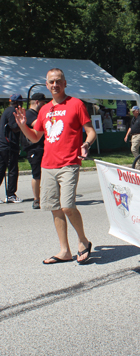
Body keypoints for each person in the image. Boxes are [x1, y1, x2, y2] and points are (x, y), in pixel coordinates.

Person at [14, 68, 96, 264]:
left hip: (69, 163)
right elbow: (35, 137)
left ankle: (83, 241)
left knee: (67, 206)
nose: (55, 85)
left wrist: (86, 143)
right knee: (54, 208)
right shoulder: (44, 109)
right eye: (51, 82)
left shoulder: (76, 104)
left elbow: (90, 131)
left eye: (58, 81)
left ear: (65, 83)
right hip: (48, 165)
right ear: (47, 84)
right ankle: (64, 251)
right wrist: (23, 125)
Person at [22, 93, 47, 209]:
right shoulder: (29, 114)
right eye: (43, 103)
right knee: (36, 174)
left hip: (42, 147)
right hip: (33, 148)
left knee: (46, 173)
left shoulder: (37, 114)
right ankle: (36, 199)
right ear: (37, 102)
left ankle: (46, 197)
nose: (44, 105)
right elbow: (37, 125)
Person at [0, 94, 25, 203]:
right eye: (21, 102)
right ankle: (11, 194)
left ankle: (10, 194)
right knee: (13, 170)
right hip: (9, 144)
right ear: (16, 103)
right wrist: (23, 124)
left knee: (1, 169)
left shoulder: (7, 111)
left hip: (3, 144)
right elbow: (14, 127)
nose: (22, 104)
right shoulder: (11, 112)